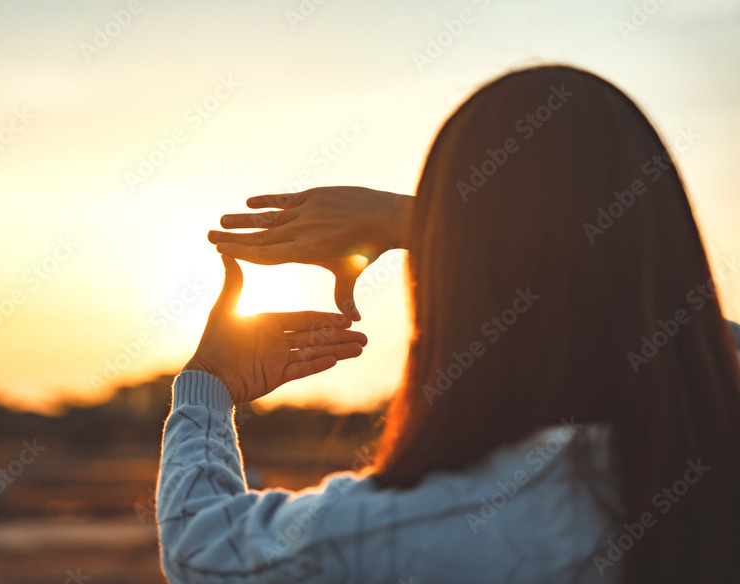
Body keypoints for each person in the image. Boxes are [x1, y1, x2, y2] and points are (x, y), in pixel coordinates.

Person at [156, 65, 740, 583]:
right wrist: (413, 221)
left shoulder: (437, 521)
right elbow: (662, 322)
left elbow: (203, 546)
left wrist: (210, 382)